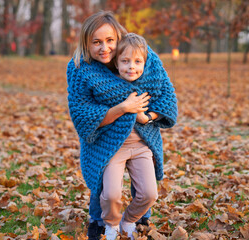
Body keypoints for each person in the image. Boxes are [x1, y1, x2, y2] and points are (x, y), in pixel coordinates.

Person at [66, 11, 178, 240]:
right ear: (86, 43)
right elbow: (82, 114)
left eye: (109, 41)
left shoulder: (141, 54)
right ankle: (100, 222)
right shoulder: (80, 68)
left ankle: (137, 218)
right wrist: (124, 108)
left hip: (142, 136)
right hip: (104, 139)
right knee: (105, 188)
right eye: (96, 42)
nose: (104, 48)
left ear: (119, 37)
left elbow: (166, 93)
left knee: (146, 188)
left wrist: (148, 116)